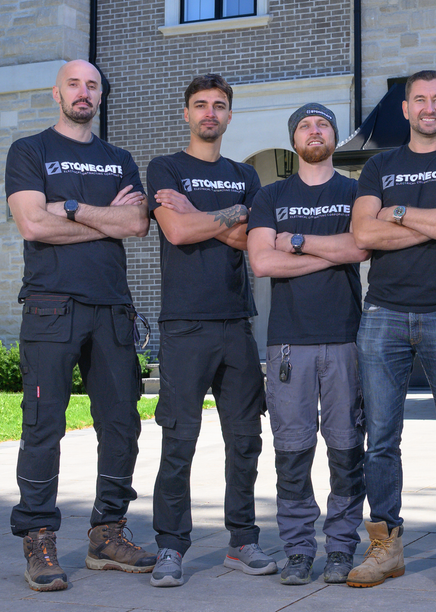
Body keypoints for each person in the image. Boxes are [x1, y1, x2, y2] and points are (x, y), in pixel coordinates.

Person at [5, 59, 154, 592]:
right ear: (57, 93)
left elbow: (137, 223)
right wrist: (100, 218)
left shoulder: (119, 160)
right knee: (43, 424)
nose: (84, 92)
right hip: (51, 307)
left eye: (93, 84)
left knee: (122, 424)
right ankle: (39, 536)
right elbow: (30, 222)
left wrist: (66, 209)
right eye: (75, 83)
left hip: (113, 309)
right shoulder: (30, 150)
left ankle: (107, 532)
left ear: (100, 95)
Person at [347, 70, 436, 590]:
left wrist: (400, 213)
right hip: (382, 314)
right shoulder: (380, 163)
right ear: (404, 109)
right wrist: (434, 221)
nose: (428, 107)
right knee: (381, 439)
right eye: (419, 99)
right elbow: (363, 233)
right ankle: (385, 547)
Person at [145, 74, 275, 587]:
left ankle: (242, 540)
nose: (209, 113)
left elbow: (254, 241)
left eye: (219, 106)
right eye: (200, 105)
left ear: (228, 115)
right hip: (184, 325)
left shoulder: (246, 175)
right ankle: (171, 547)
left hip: (236, 323)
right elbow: (176, 232)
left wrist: (204, 215)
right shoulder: (166, 167)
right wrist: (230, 216)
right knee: (180, 440)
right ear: (187, 113)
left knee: (245, 439)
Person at [246, 103, 369, 586]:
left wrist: (292, 242)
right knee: (292, 452)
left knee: (345, 450)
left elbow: (360, 248)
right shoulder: (271, 195)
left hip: (345, 341)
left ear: (334, 137)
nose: (314, 131)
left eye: (322, 125)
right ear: (293, 138)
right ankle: (298, 549)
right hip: (288, 347)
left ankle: (340, 548)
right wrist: (329, 250)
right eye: (304, 125)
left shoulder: (356, 192)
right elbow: (262, 262)